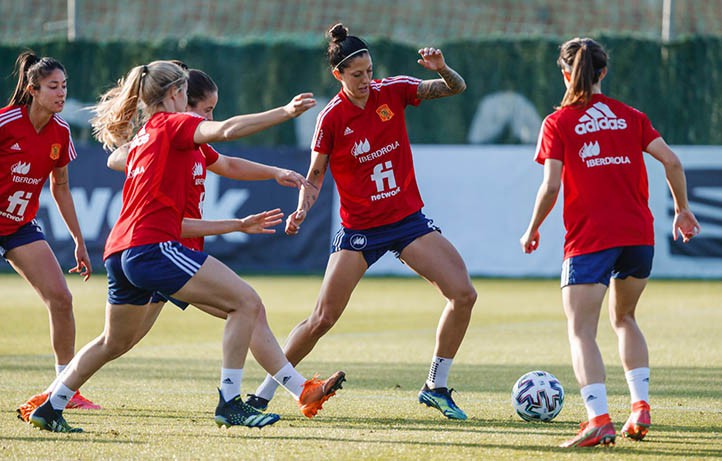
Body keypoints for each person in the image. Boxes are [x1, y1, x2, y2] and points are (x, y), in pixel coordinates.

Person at [25, 60, 343, 433]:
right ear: (178, 95)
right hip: (157, 249)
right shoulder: (174, 126)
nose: (208, 116)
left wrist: (272, 174)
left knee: (116, 341)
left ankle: (51, 404)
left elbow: (221, 161)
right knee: (246, 303)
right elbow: (226, 131)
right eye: (204, 108)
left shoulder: (148, 137)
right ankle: (230, 402)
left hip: (124, 251)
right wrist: (285, 112)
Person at [245, 24, 476, 420]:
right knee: (322, 318)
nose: (367, 80)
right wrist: (302, 209)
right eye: (357, 75)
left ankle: (435, 386)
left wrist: (441, 68)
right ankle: (264, 394)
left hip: (407, 222)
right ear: (338, 75)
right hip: (360, 231)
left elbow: (455, 88)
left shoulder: (393, 90)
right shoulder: (331, 118)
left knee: (464, 294)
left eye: (369, 71)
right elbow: (315, 175)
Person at [519, 37, 700, 448]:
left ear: (565, 73)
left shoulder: (558, 123)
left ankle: (598, 418)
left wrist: (532, 228)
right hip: (638, 236)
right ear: (603, 72)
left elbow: (550, 187)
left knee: (581, 330)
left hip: (590, 239)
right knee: (625, 319)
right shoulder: (631, 116)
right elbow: (671, 160)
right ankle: (640, 407)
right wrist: (682, 209)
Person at [1, 51, 100, 414]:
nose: (61, 93)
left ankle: (65, 389)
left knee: (61, 299)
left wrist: (78, 240)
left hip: (18, 226)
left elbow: (60, 187)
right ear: (33, 89)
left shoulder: (60, 131)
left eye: (64, 86)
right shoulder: (6, 122)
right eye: (53, 87)